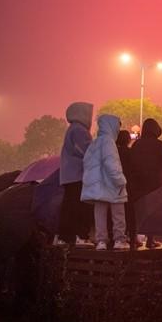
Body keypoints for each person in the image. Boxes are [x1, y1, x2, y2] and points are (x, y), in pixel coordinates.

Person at [81, 114, 130, 251]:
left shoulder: (95, 142)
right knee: (118, 214)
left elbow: (87, 163)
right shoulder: (109, 142)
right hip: (112, 185)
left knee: (100, 214)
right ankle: (119, 240)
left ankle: (101, 241)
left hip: (98, 186)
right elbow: (111, 163)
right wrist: (120, 180)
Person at [129, 118, 162, 248]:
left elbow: (131, 163)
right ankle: (150, 240)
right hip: (155, 185)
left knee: (137, 212)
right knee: (152, 212)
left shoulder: (136, 145)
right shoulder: (160, 145)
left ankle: (133, 239)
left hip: (138, 184)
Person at [57, 101, 94, 246]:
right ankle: (80, 236)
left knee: (68, 207)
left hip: (69, 175)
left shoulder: (72, 129)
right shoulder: (79, 131)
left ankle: (64, 237)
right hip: (77, 175)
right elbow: (87, 151)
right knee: (79, 207)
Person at [116, 130, 138, 248]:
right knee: (130, 212)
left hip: (115, 185)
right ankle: (132, 237)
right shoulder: (130, 153)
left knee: (117, 212)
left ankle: (118, 236)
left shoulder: (114, 153)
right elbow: (135, 168)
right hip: (129, 185)